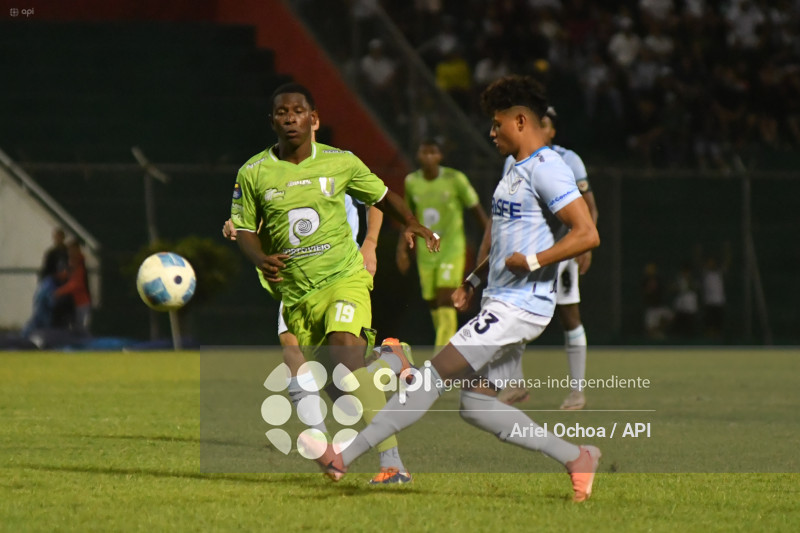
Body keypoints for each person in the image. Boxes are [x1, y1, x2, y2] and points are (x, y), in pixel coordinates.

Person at [316, 75, 602, 502]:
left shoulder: (548, 169)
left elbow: (587, 233)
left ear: (521, 121)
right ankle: (576, 458)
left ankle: (346, 454)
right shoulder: (514, 170)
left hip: (519, 308)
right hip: (501, 301)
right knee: (476, 406)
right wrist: (474, 278)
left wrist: (536, 261)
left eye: (497, 123)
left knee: (433, 374)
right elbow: (507, 238)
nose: (491, 133)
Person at [230, 83, 438, 484]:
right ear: (271, 121)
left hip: (343, 278)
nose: (290, 118)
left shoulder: (340, 162)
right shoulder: (253, 172)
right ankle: (391, 360)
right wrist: (258, 257)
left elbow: (381, 195)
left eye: (298, 111)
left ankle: (392, 464)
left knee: (345, 359)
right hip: (296, 293)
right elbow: (243, 228)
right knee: (340, 388)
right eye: (281, 112)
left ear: (314, 119)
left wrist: (408, 223)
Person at [396, 139, 489, 348]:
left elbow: (477, 211)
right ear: (418, 155)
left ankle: (440, 359)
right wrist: (401, 250)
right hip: (426, 252)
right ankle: (448, 349)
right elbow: (408, 219)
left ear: (440, 156)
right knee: (433, 303)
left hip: (451, 249)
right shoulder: (412, 182)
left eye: (433, 152)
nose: (429, 157)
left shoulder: (455, 179)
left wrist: (491, 240)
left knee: (445, 298)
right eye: (424, 152)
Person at [542, 106, 599, 410]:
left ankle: (577, 390)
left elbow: (590, 206)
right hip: (527, 250)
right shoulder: (514, 159)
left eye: (545, 123)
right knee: (508, 310)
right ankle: (512, 384)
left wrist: (584, 245)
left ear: (552, 130)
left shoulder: (568, 159)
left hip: (562, 251)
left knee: (569, 316)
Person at [54, 239, 91, 337]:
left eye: (72, 250)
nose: (70, 252)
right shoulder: (72, 263)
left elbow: (76, 284)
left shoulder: (80, 263)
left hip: (82, 303)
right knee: (77, 328)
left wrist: (59, 292)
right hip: (75, 303)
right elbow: (67, 275)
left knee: (83, 328)